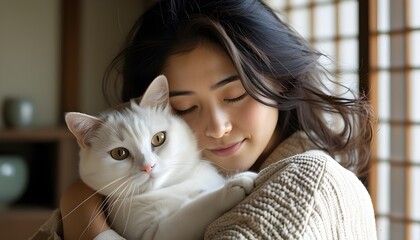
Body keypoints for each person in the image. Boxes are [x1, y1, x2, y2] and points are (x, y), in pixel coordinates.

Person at [31, 0, 377, 239]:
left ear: (280, 79)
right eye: (184, 108)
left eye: (235, 95)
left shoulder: (309, 180)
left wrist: (89, 226)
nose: (217, 127)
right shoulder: (157, 176)